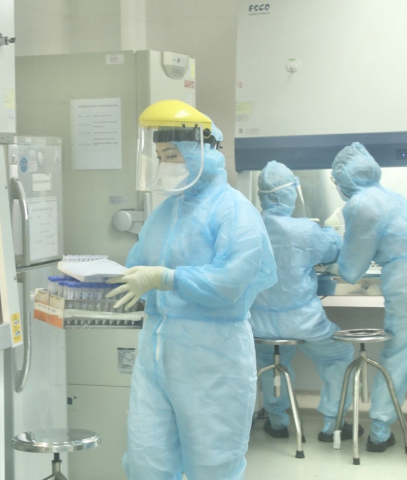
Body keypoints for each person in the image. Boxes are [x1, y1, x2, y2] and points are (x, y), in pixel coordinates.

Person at [106, 99, 277, 480]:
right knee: (146, 460)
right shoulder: (165, 213)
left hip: (213, 361)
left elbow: (230, 283)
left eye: (172, 155)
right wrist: (95, 283)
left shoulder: (235, 212)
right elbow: (139, 265)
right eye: (160, 156)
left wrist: (167, 278)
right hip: (156, 357)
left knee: (212, 465)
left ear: (203, 152)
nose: (165, 165)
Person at [249, 160, 359, 442]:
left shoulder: (248, 227)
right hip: (303, 322)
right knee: (338, 355)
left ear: (261, 194)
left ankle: (277, 422)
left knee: (271, 361)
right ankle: (334, 424)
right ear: (291, 193)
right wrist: (328, 231)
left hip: (257, 324)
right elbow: (332, 249)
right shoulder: (303, 230)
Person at [331, 142, 407, 465]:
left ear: (344, 177)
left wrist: (332, 261)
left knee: (397, 358)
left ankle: (380, 433)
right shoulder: (394, 198)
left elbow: (352, 268)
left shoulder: (362, 203)